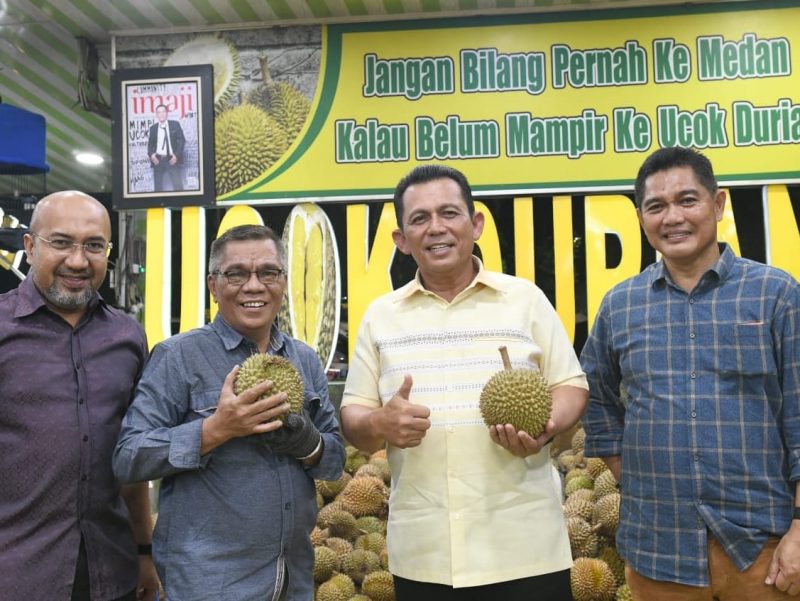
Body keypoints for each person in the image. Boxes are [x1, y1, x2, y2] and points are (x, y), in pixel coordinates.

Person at [340, 164, 589, 600]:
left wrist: (546, 426)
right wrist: (379, 423)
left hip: (525, 545)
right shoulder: (380, 317)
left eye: (449, 213)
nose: (436, 227)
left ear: (476, 225)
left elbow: (570, 385)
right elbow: (353, 417)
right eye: (419, 218)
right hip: (426, 554)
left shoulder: (525, 300)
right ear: (401, 240)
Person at [581, 146, 800, 600]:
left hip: (763, 547)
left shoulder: (775, 294)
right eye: (656, 206)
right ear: (641, 218)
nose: (673, 217)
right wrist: (630, 476)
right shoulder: (621, 305)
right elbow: (595, 397)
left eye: (687, 200)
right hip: (657, 550)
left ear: (717, 204)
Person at [113, 224, 345, 600]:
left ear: (283, 282)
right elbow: (129, 457)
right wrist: (216, 429)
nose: (254, 286)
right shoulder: (178, 357)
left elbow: (333, 462)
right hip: (210, 585)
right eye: (236, 274)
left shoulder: (304, 359)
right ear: (213, 285)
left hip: (293, 579)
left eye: (268, 272)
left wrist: (309, 444)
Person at [0, 191, 157, 600]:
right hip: (16, 576)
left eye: (93, 246)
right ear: (30, 246)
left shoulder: (127, 337)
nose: (77, 260)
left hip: (112, 573)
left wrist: (144, 551)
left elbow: (132, 461)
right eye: (61, 242)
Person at [146, 103, 185, 192]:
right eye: (159, 112)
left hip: (171, 159)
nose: (161, 114)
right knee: (158, 189)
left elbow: (182, 140)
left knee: (178, 187)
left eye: (163, 112)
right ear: (156, 114)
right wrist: (151, 155)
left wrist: (176, 155)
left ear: (167, 113)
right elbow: (150, 145)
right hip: (158, 159)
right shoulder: (153, 128)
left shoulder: (175, 125)